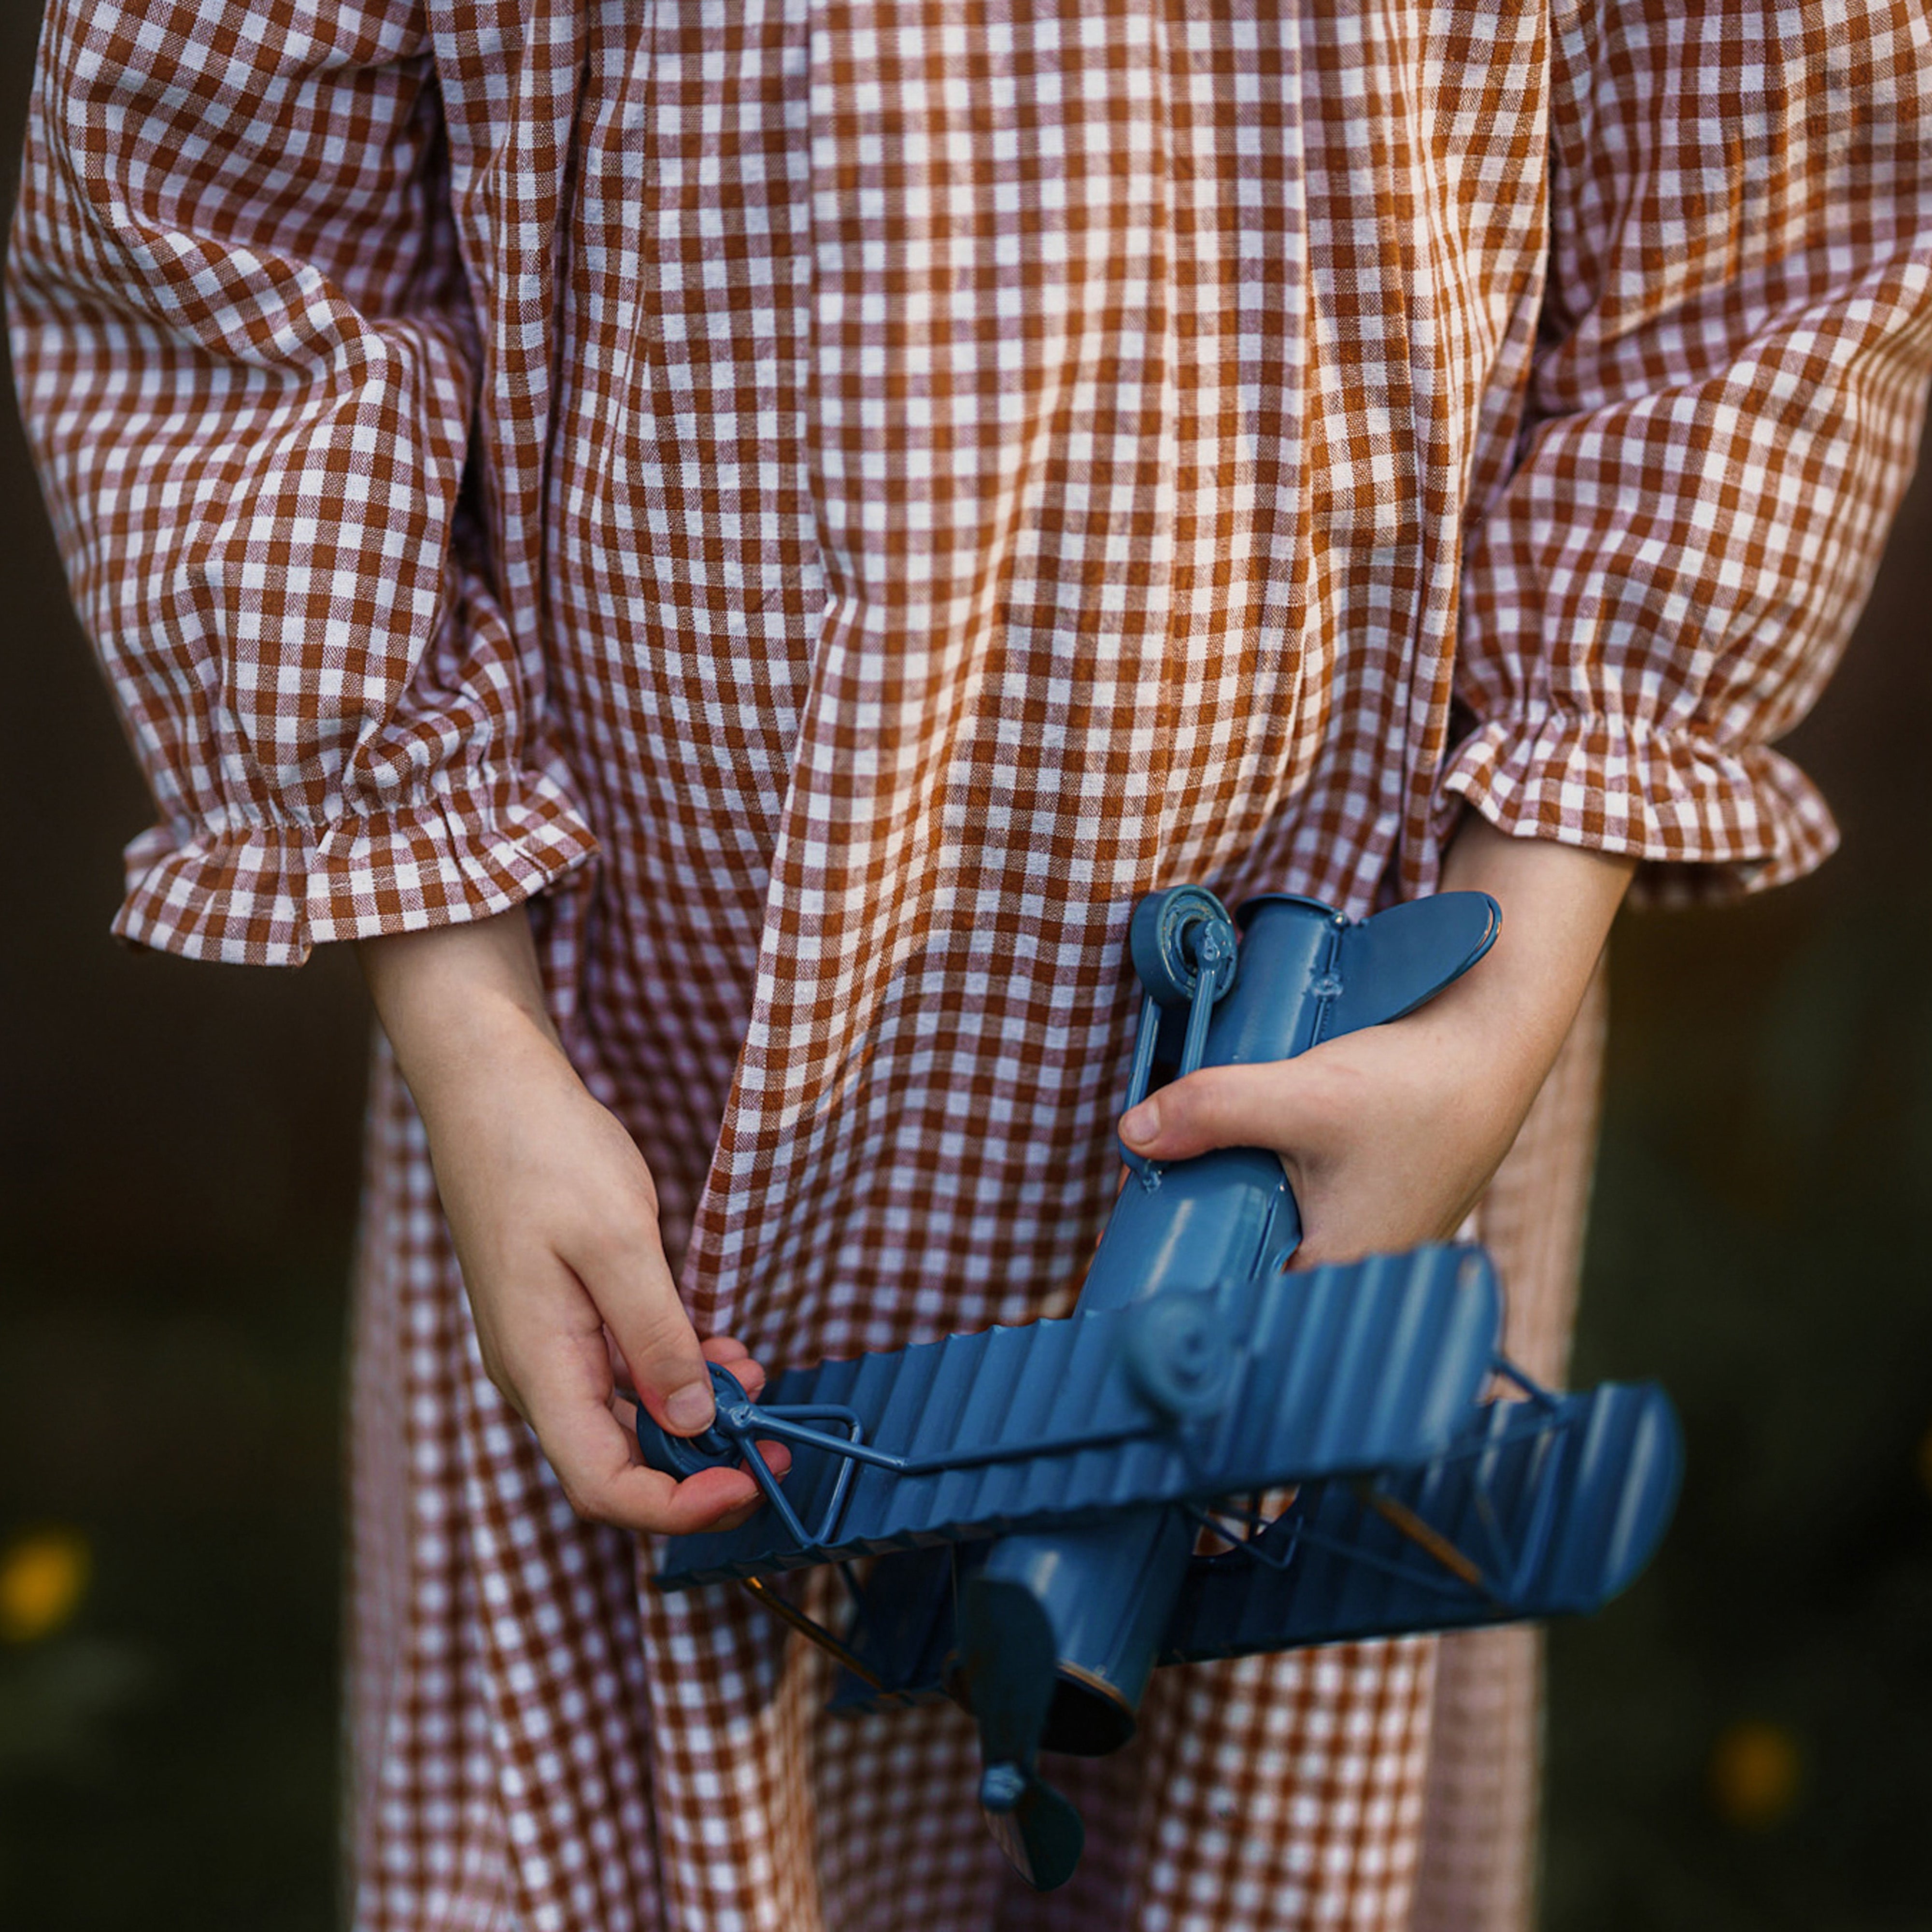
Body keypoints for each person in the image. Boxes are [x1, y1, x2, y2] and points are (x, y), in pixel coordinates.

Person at [10, 3, 1930, 1928]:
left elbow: (1763, 210)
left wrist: (1506, 981)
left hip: (1361, 1063)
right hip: (625, 1104)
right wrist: (476, 1034)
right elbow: (228, 228)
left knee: (1244, 1821)